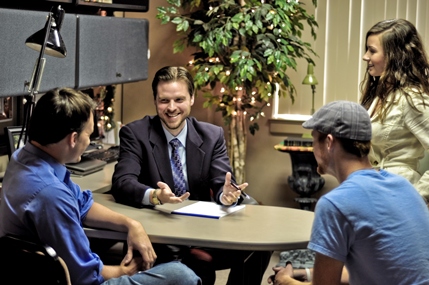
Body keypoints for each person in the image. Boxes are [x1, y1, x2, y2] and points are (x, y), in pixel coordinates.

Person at [0, 87, 201, 285]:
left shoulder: (23, 158)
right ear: (73, 139)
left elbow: (82, 203)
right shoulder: (50, 194)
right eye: (89, 134)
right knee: (181, 274)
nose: (90, 141)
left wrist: (131, 224)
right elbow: (85, 277)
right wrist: (127, 271)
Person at [110, 66, 272, 285]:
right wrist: (156, 195)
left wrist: (225, 196)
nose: (172, 108)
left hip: (202, 230)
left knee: (263, 242)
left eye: (179, 99)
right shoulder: (135, 133)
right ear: (155, 100)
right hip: (160, 233)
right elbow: (122, 182)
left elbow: (220, 180)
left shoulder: (211, 135)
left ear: (192, 98)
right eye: (164, 100)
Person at [268, 101, 429, 284]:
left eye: (314, 139)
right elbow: (376, 268)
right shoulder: (403, 186)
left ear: (328, 142)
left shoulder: (336, 204)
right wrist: (307, 273)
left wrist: (285, 281)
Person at [360, 18, 429, 201]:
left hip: (401, 196)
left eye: (372, 51)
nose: (365, 56)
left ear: (394, 56)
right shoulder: (379, 94)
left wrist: (418, 197)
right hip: (377, 194)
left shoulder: (412, 98)